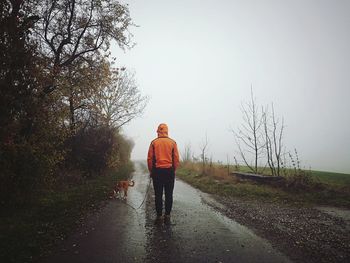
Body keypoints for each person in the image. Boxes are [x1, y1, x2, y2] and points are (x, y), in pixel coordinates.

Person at [147, 123, 180, 225]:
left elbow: (149, 159)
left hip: (157, 172)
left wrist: (151, 171)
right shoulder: (173, 142)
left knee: (158, 195)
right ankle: (168, 216)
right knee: (169, 194)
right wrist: (173, 170)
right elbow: (176, 159)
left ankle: (159, 216)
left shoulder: (154, 143)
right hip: (169, 171)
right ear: (167, 131)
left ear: (158, 131)